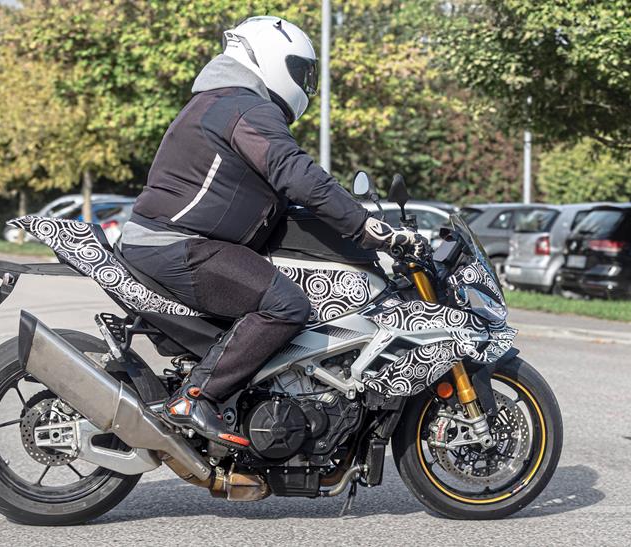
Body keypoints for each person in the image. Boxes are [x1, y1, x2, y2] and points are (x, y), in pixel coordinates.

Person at [120, 16, 425, 448]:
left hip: (180, 241)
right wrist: (363, 226)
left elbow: (277, 196)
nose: (304, 82)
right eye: (299, 70)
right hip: (177, 244)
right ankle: (196, 397)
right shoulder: (243, 106)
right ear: (266, 57)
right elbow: (293, 172)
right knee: (284, 304)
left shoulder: (227, 102)